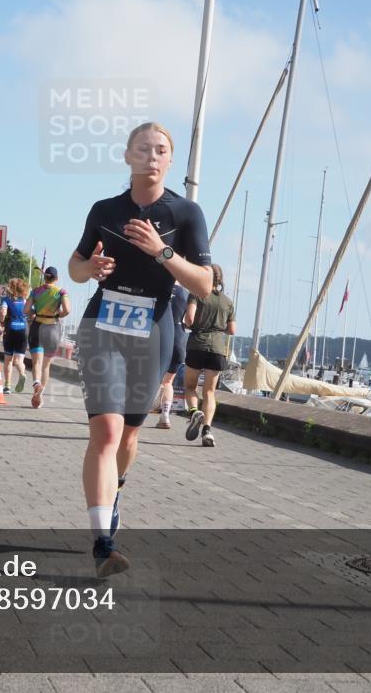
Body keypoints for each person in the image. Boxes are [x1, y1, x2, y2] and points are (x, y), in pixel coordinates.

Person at [69, 122, 212, 577]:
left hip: (154, 327)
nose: (152, 156)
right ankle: (103, 544)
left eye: (161, 150)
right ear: (128, 156)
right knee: (106, 434)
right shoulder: (104, 208)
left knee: (129, 435)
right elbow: (74, 266)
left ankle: (116, 489)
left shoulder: (186, 214)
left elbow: (205, 286)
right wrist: (90, 266)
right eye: (143, 149)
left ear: (170, 161)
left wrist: (161, 252)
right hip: (103, 325)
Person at [183, 264, 236, 447]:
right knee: (210, 392)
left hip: (197, 344)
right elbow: (232, 330)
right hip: (218, 349)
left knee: (190, 386)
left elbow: (189, 319)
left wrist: (190, 325)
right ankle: (207, 431)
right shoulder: (227, 302)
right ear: (220, 280)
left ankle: (193, 412)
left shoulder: (196, 295)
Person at [25, 266, 70, 408]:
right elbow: (67, 310)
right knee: (46, 365)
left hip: (37, 326)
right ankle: (41, 393)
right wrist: (57, 314)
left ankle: (36, 384)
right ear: (56, 279)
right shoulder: (61, 292)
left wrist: (34, 311)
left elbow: (25, 310)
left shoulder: (35, 291)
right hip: (52, 329)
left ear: (45, 278)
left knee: (36, 363)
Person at [153, 283, 189, 429]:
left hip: (160, 335)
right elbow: (190, 319)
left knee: (148, 378)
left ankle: (134, 413)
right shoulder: (186, 294)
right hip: (179, 339)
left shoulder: (159, 288)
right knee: (168, 382)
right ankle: (165, 416)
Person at [0, 278, 30, 394]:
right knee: (18, 361)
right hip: (23, 330)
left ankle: (7, 386)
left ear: (11, 288)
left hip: (11, 330)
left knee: (8, 360)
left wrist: (1, 322)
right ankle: (22, 374)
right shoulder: (26, 301)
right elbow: (32, 314)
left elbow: (2, 313)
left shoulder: (6, 300)